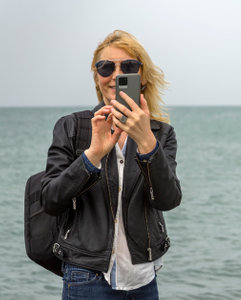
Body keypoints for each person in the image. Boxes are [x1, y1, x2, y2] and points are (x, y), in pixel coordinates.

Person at [41, 30, 182, 299]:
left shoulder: (161, 134)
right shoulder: (72, 127)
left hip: (143, 279)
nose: (116, 75)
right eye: (106, 67)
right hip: (86, 276)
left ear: (141, 77)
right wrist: (92, 155)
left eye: (128, 66)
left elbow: (168, 199)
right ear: (96, 76)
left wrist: (146, 143)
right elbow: (50, 200)